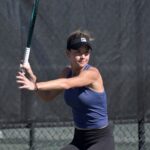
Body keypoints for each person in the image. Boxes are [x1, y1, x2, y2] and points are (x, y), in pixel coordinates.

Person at [16, 30, 115, 150]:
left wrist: (36, 86)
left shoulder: (92, 74)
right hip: (79, 139)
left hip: (101, 140)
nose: (83, 56)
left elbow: (66, 84)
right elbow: (47, 97)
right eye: (78, 52)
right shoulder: (66, 72)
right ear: (68, 53)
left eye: (86, 52)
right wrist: (33, 78)